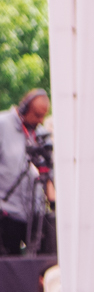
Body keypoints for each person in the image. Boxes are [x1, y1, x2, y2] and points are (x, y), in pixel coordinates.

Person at [0, 90, 52, 256]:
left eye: (43, 116)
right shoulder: (3, 125)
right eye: (37, 115)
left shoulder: (41, 133)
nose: (41, 120)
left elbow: (48, 170)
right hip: (6, 213)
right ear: (23, 109)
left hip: (34, 215)